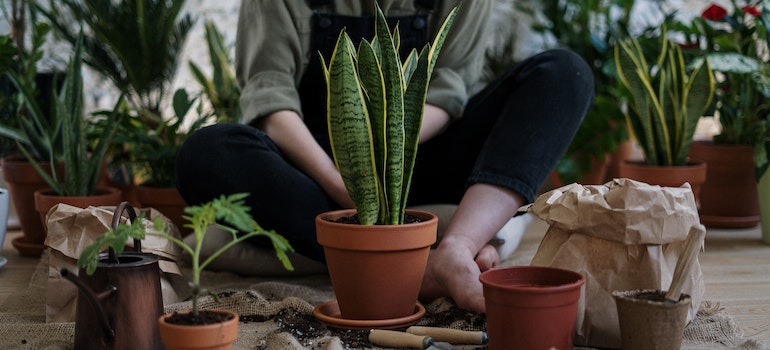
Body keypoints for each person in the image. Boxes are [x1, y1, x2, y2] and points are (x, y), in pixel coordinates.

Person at [176, 0, 594, 313]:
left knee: (564, 74)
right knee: (207, 153)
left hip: (422, 154)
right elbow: (271, 99)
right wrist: (348, 187)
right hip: (315, 169)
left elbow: (448, 92)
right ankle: (412, 265)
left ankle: (456, 248)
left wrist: (391, 158)